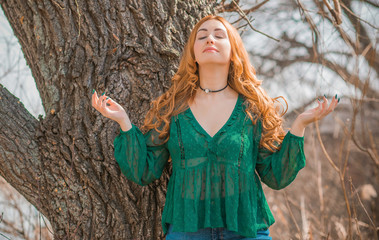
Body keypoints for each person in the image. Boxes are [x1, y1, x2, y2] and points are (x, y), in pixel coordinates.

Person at [91, 15, 339, 240]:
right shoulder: (173, 109)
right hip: (185, 232)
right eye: (202, 36)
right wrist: (124, 122)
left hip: (246, 231)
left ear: (233, 51)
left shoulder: (252, 110)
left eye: (219, 35)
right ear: (194, 52)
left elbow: (276, 176)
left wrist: (300, 125)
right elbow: (145, 171)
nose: (210, 38)